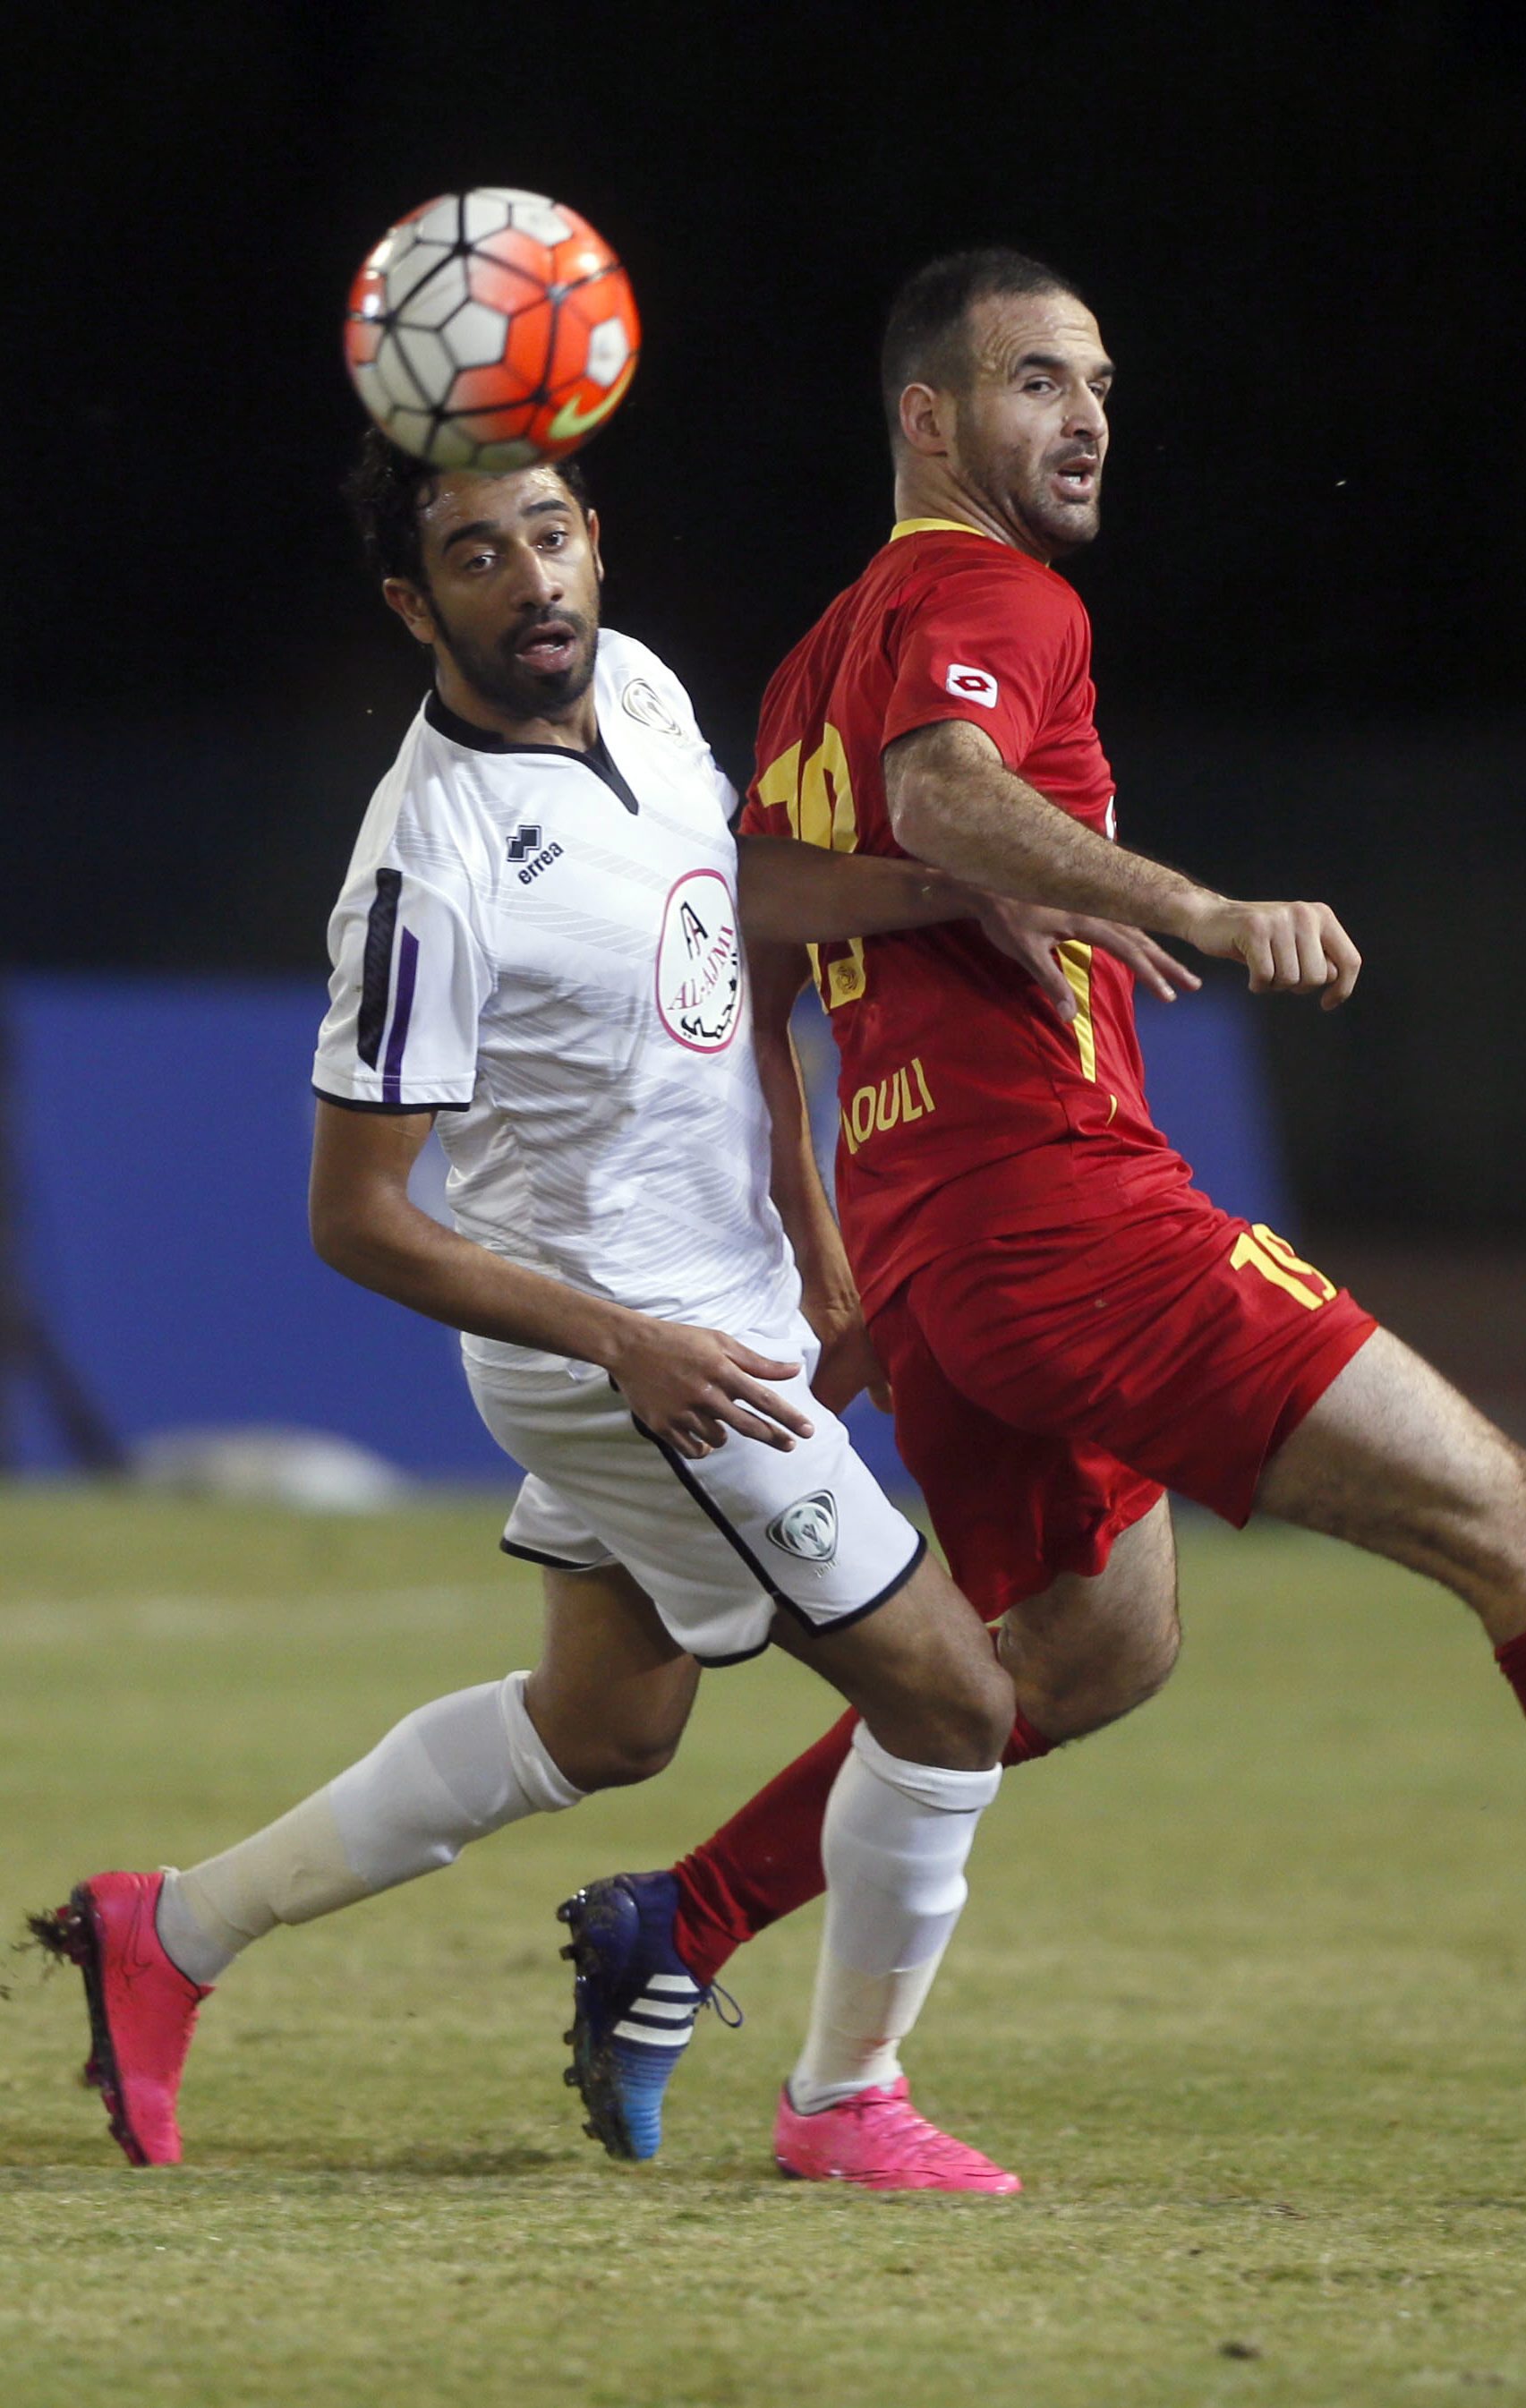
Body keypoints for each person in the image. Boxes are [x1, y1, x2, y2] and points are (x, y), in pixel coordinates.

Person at [562, 246, 1526, 2148]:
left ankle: (668, 1923)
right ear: (928, 419)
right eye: (1037, 380)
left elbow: (762, 907)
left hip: (945, 1241)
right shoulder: (987, 590)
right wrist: (1188, 905)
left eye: (1098, 380)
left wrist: (846, 1250)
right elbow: (948, 797)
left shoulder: (807, 660)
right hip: (1063, 1208)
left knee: (1075, 1652)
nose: (1086, 414)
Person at [30, 426, 1172, 2192]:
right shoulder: (426, 870)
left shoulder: (636, 690)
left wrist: (956, 903)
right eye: (479, 554)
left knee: (609, 1726)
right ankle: (841, 2099)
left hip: (711, 1307)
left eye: (549, 535)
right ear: (415, 602)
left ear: (595, 545)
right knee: (949, 1698)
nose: (532, 578)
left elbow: (730, 905)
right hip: (643, 1359)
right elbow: (355, 1219)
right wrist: (628, 1347)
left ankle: (164, 1933)